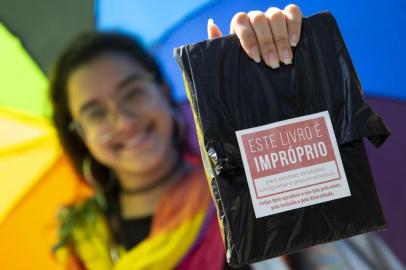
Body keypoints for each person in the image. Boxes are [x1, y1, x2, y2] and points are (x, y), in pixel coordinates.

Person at [50, 4, 404, 270]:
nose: (123, 120)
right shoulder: (80, 241)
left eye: (133, 93)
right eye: (95, 113)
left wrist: (271, 83)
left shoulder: (240, 184)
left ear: (162, 91)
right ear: (80, 135)